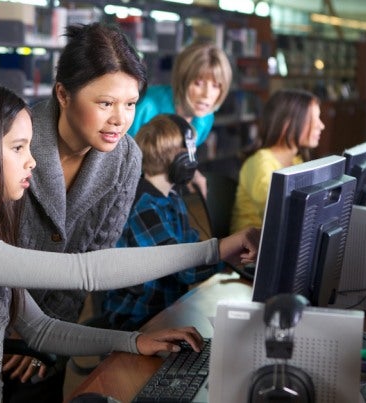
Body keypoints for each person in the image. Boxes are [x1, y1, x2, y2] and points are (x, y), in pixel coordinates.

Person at [0, 80, 259, 402]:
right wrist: (214, 249)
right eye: (18, 148)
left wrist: (132, 342)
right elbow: (86, 271)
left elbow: (41, 329)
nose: (32, 162)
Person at [6, 22, 146, 402]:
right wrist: (22, 334)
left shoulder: (126, 159)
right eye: (105, 103)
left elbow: (91, 261)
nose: (120, 119)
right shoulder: (13, 139)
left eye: (130, 103)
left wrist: (46, 340)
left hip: (54, 328)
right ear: (63, 94)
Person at [102, 114, 261, 331]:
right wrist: (229, 252)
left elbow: (191, 244)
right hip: (137, 319)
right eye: (192, 151)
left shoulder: (172, 196)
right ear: (181, 160)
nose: (194, 159)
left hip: (167, 307)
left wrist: (235, 257)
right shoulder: (143, 206)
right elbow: (183, 269)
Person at [128, 41, 233, 196]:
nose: (207, 95)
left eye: (216, 85)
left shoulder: (205, 118)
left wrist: (192, 171)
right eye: (198, 83)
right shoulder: (147, 106)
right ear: (182, 80)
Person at [229, 88, 325, 234]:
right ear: (287, 124)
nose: (321, 125)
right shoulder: (259, 163)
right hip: (251, 249)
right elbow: (279, 213)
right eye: (314, 118)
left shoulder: (298, 161)